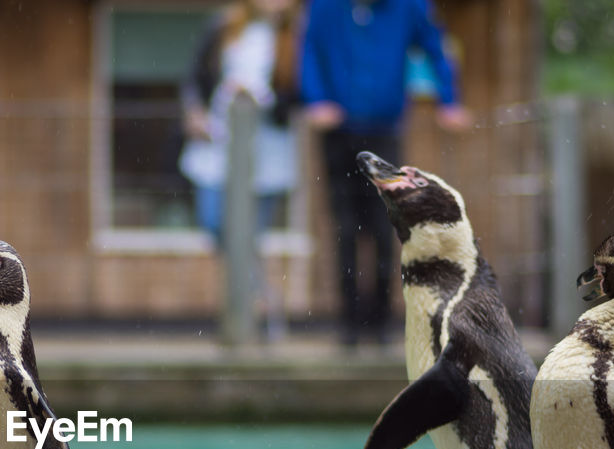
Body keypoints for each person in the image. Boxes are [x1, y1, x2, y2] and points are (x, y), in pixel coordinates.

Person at [300, 0, 472, 347]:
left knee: (385, 227)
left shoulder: (408, 6)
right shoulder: (323, 7)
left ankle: (379, 324)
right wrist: (317, 99)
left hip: (384, 133)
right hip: (338, 132)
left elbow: (436, 46)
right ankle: (349, 325)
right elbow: (310, 51)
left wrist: (448, 100)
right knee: (344, 229)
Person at [179, 0, 301, 340]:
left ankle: (251, 316)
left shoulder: (296, 36)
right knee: (216, 223)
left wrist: (261, 98)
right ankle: (263, 299)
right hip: (217, 144)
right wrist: (195, 112)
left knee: (248, 237)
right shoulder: (224, 26)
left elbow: (297, 95)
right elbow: (195, 77)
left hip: (267, 149)